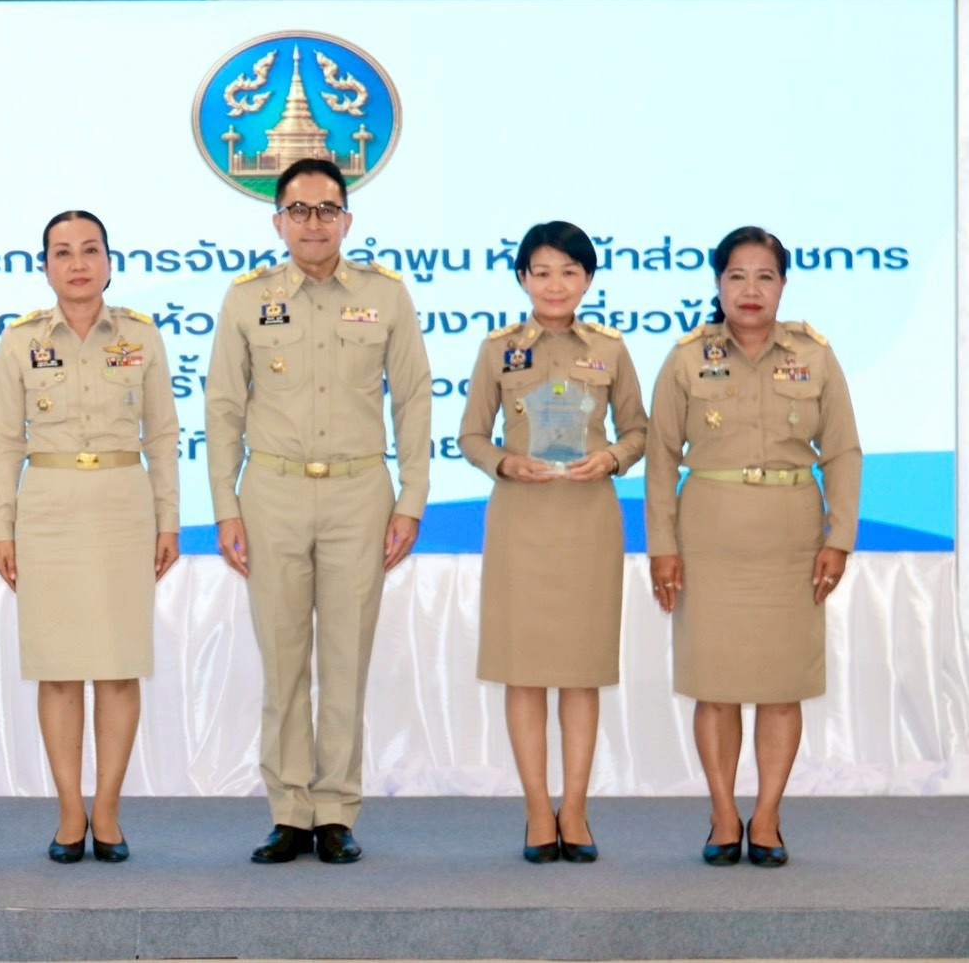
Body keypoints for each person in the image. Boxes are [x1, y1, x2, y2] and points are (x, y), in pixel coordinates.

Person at [205, 158, 432, 864]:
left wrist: (412, 499)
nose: (313, 223)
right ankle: (289, 811)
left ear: (347, 220)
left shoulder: (386, 296)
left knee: (345, 659)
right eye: (299, 210)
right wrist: (225, 506)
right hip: (270, 492)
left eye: (327, 210)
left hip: (359, 493)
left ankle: (335, 809)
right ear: (278, 221)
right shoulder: (246, 299)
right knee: (283, 661)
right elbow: (223, 407)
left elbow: (413, 398)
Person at [646, 226, 861, 867]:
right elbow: (660, 457)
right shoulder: (687, 358)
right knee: (715, 686)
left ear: (783, 285)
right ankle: (722, 813)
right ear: (718, 284)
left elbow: (843, 451)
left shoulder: (815, 355)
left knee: (780, 685)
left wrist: (840, 538)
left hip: (791, 539)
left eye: (765, 276)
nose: (750, 289)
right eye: (736, 275)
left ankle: (766, 816)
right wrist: (662, 545)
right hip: (709, 538)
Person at [0, 210, 181, 863]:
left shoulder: (140, 336)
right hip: (49, 505)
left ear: (109, 263)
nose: (77, 263)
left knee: (119, 667)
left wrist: (169, 519)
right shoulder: (20, 341)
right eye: (63, 252)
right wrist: (3, 527)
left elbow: (163, 435)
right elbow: (2, 442)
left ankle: (109, 811)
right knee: (59, 668)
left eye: (90, 250)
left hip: (123, 504)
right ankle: (71, 812)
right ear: (44, 266)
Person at [457, 221, 647, 864]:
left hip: (589, 522)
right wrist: (504, 463)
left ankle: (577, 809)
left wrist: (613, 457)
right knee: (525, 673)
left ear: (588, 279)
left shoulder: (611, 350)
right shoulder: (497, 350)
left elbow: (640, 430)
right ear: (523, 279)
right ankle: (539, 810)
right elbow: (471, 435)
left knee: (581, 673)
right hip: (521, 522)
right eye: (542, 272)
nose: (555, 284)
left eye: (569, 272)